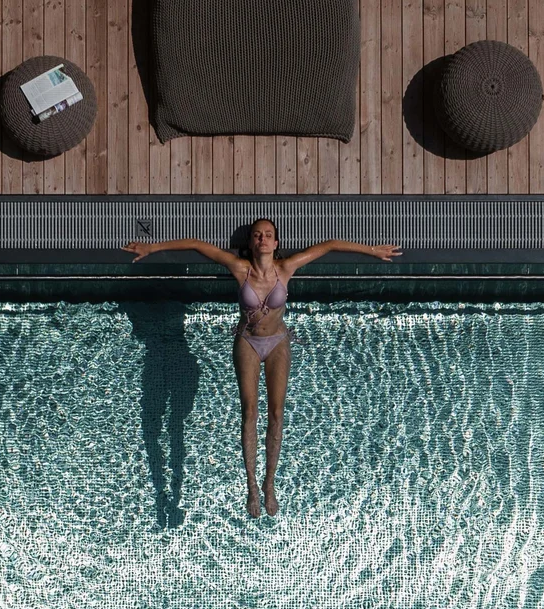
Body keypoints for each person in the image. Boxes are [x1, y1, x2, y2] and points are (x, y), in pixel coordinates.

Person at [123, 220, 402, 519]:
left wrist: (372, 251)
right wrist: (153, 247)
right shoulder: (240, 269)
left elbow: (330, 244)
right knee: (249, 413)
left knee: (277, 414)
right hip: (248, 343)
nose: (263, 239)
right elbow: (196, 243)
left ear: (276, 242)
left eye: (268, 235)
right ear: (252, 243)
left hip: (278, 341)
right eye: (258, 235)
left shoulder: (286, 269)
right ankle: (252, 487)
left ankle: (270, 483)